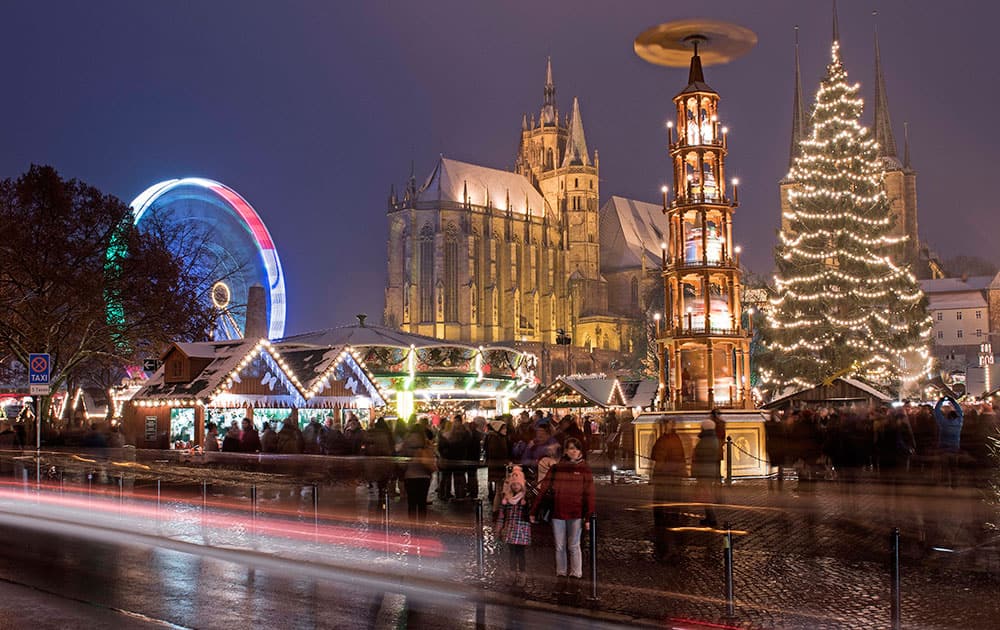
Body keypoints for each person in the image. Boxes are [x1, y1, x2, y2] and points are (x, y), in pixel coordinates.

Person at [530, 438, 595, 594]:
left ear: (580, 451)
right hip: (558, 512)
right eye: (570, 448)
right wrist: (534, 510)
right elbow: (544, 488)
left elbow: (590, 495)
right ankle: (561, 575)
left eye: (576, 448)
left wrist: (589, 517)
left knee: (573, 546)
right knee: (559, 547)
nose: (573, 451)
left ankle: (575, 576)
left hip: (576, 513)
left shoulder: (585, 469)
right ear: (565, 450)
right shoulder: (557, 468)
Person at [649, 419, 686, 559]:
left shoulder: (664, 440)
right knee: (674, 496)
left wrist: (654, 474)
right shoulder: (677, 438)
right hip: (675, 474)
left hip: (664, 473)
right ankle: (674, 515)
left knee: (659, 496)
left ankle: (659, 518)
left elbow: (659, 458)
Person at [495, 464, 532, 587]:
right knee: (511, 554)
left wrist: (527, 505)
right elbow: (502, 515)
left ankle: (522, 575)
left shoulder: (525, 499)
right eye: (514, 484)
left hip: (521, 531)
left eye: (518, 484)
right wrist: (499, 529)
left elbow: (530, 516)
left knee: (520, 554)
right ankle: (512, 574)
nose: (516, 486)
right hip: (511, 530)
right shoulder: (507, 500)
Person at [401, 423, 436, 523]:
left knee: (411, 503)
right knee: (422, 503)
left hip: (409, 476)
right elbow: (431, 458)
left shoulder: (406, 444)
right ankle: (421, 525)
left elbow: (402, 460)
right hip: (424, 476)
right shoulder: (426, 443)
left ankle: (412, 527)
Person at [691, 418, 720, 528]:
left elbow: (699, 454)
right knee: (706, 494)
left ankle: (712, 519)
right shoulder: (713, 439)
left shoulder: (705, 440)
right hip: (709, 470)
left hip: (704, 471)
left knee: (706, 495)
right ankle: (709, 517)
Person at [484, 420, 511, 502]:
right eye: (504, 428)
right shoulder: (494, 438)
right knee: (499, 488)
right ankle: (497, 508)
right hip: (497, 466)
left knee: (499, 488)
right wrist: (505, 461)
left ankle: (497, 507)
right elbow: (495, 453)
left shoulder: (499, 437)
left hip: (498, 465)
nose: (505, 430)